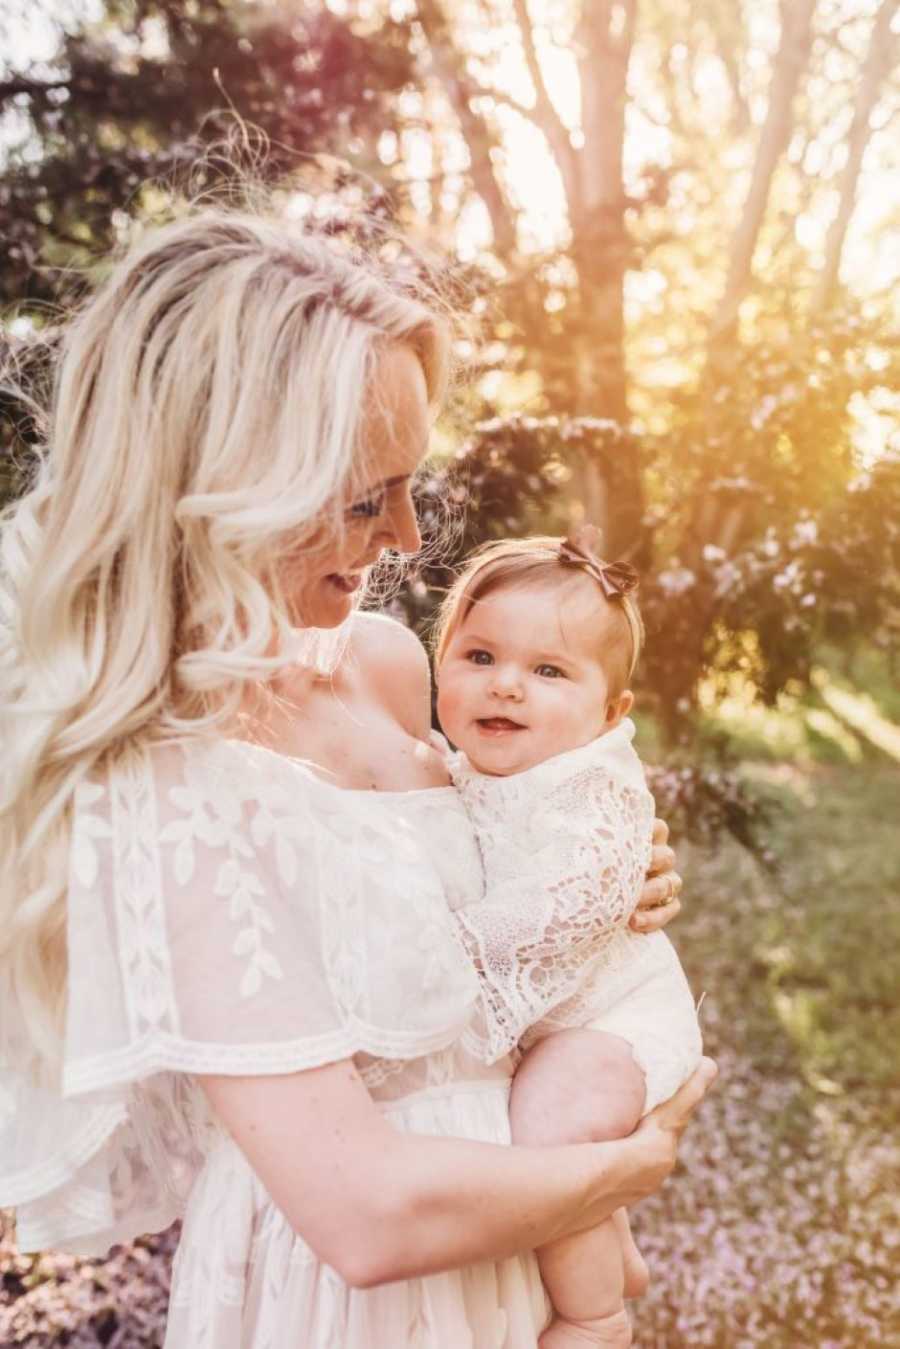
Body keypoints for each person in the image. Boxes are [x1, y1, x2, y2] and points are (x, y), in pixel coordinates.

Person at [0, 206, 715, 1348]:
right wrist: (632, 1162)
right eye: (364, 495)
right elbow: (364, 1213)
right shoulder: (153, 774)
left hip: (517, 1236)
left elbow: (492, 848)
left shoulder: (385, 664)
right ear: (230, 483)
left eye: (411, 483)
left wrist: (608, 862)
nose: (407, 534)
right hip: (350, 1295)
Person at [433, 533, 704, 1348]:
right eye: (478, 655)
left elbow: (566, 906)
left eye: (549, 671)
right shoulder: (460, 770)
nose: (506, 685)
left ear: (610, 713)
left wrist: (444, 949)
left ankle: (596, 1316)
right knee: (550, 1109)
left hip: (615, 1021)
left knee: (549, 1123)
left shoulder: (594, 784)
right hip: (568, 1024)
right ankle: (611, 1249)